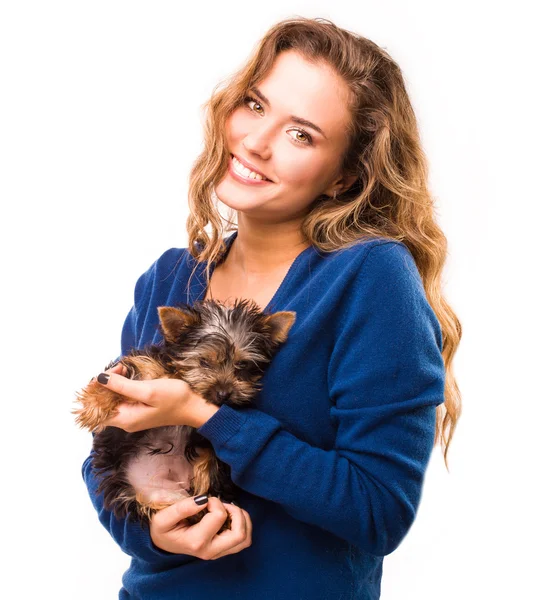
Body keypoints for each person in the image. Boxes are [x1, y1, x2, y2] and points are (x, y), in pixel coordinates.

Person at [81, 16, 462, 600]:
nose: (256, 142)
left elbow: (379, 512)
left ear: (346, 177)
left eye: (301, 134)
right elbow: (107, 454)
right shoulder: (170, 276)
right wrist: (156, 535)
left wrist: (208, 416)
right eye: (256, 106)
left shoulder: (370, 277)